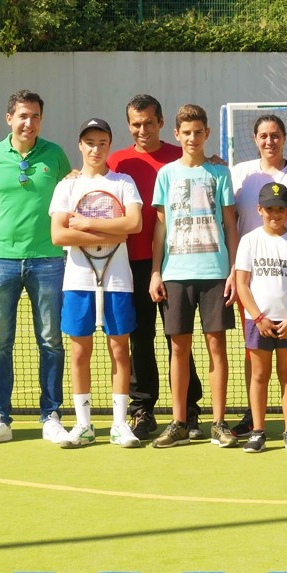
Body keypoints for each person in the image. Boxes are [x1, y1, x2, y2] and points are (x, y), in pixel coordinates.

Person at [0, 90, 72, 446]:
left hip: (49, 262)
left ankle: (51, 416)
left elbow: (68, 200)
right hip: (0, 263)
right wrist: (3, 243)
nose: (29, 123)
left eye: (36, 117)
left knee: (51, 341)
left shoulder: (56, 155)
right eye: (23, 116)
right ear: (9, 118)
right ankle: (0, 417)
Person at [107, 94, 205, 441]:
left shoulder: (182, 155)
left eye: (149, 122)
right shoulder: (116, 161)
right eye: (136, 124)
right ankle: (143, 410)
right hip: (130, 264)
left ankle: (189, 409)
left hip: (175, 261)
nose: (142, 130)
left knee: (178, 338)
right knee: (140, 337)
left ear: (162, 123)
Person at [149, 103, 239, 448]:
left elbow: (230, 223)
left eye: (198, 132)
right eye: (186, 133)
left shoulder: (219, 174)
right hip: (176, 275)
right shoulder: (166, 175)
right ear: (177, 135)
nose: (192, 138)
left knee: (217, 346)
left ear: (207, 134)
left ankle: (218, 422)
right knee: (179, 349)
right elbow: (160, 229)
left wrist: (232, 270)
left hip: (215, 273)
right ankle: (179, 422)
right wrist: (156, 272)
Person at [49, 118, 143, 448]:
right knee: (80, 352)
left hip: (118, 280)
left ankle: (119, 425)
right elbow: (59, 233)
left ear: (109, 145)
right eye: (89, 142)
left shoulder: (124, 182)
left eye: (102, 142)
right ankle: (84, 425)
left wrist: (87, 223)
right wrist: (111, 228)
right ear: (80, 145)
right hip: (77, 280)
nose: (96, 148)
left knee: (120, 350)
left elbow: (134, 223)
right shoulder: (67, 187)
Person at [229, 115, 287, 439]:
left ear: (284, 138)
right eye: (263, 135)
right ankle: (255, 420)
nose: (269, 141)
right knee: (256, 360)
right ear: (254, 138)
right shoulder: (240, 174)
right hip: (252, 283)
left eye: (275, 135)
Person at [235, 182, 287, 453]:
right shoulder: (249, 241)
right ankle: (258, 431)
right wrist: (257, 318)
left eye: (280, 209)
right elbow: (242, 284)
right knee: (259, 375)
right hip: (258, 322)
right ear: (259, 209)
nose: (275, 214)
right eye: (269, 209)